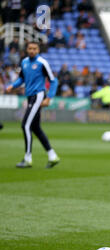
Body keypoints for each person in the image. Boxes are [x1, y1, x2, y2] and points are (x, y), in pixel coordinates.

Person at [6, 41, 60, 169]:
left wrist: (49, 98)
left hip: (38, 95)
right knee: (35, 128)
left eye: (34, 48)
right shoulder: (24, 62)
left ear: (38, 50)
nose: (32, 51)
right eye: (30, 48)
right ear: (26, 49)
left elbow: (54, 81)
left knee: (25, 125)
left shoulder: (42, 62)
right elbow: (22, 78)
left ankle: (27, 159)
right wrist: (12, 86)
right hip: (30, 96)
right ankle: (53, 156)